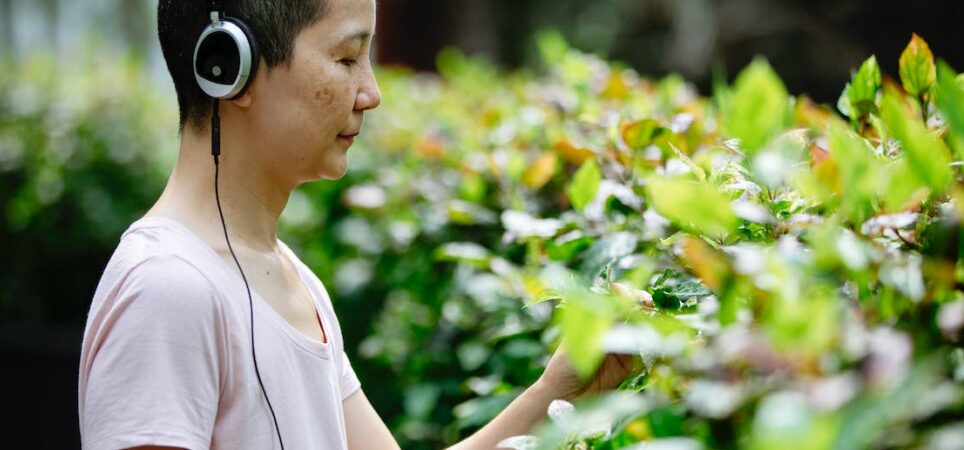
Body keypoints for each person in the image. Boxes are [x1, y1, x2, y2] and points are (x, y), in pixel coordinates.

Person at [77, 0, 634, 449]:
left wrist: (558, 391)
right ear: (230, 66)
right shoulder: (167, 291)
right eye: (347, 58)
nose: (372, 93)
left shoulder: (293, 281)